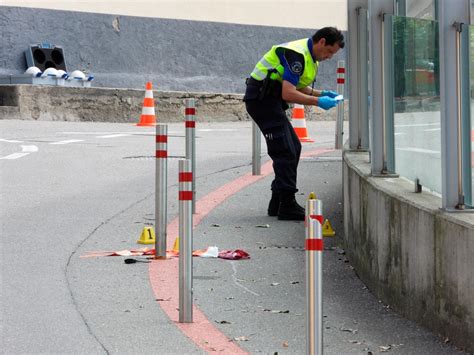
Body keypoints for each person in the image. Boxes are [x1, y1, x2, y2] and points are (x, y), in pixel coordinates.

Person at [244, 27, 345, 221]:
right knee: (285, 150)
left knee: (294, 147)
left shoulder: (306, 54)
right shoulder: (297, 54)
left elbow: (295, 84)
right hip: (261, 101)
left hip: (269, 100)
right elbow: (288, 93)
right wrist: (318, 102)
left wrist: (321, 93)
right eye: (330, 52)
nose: (329, 57)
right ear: (322, 42)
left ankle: (277, 202)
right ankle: (287, 205)